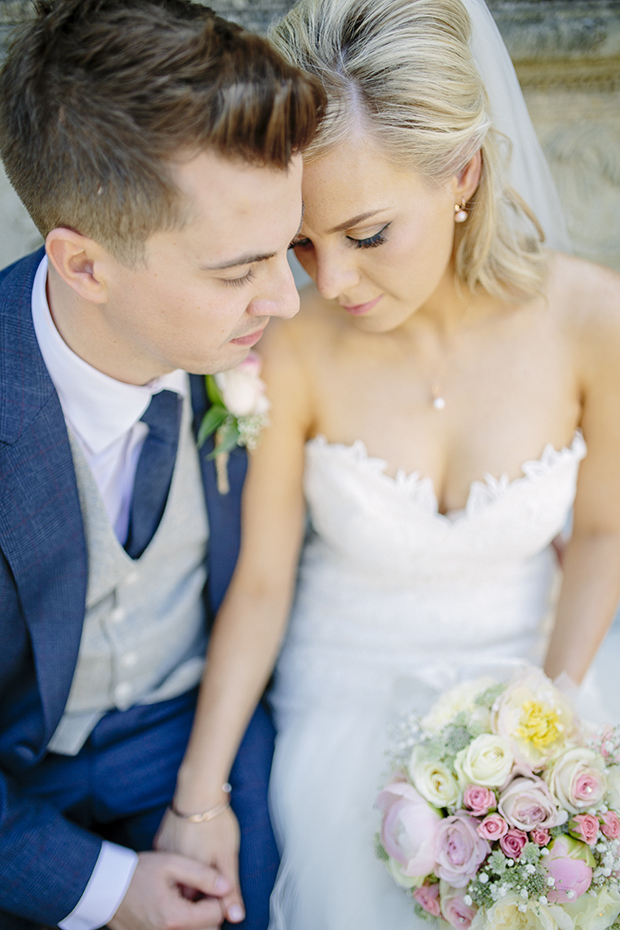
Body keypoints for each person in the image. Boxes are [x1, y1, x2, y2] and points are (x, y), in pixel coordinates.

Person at [156, 0, 620, 927]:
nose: (327, 285)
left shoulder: (590, 320)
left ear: (464, 173)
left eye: (366, 235)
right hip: (344, 706)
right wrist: (194, 803)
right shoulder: (296, 347)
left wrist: (553, 723)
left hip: (542, 679)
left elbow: (606, 529)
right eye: (300, 243)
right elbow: (260, 584)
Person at [0, 1, 325, 928]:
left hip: (199, 736)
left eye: (287, 248)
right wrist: (102, 892)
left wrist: (203, 793)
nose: (290, 302)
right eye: (239, 270)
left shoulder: (250, 349)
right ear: (85, 266)